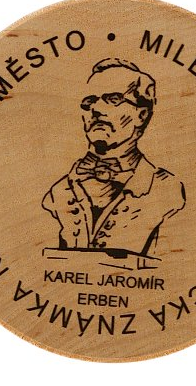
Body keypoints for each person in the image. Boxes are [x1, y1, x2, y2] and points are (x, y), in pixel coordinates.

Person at [42, 58, 186, 263]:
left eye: (113, 99)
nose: (96, 109)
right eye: (89, 102)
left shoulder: (168, 191)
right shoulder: (56, 194)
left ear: (141, 115)